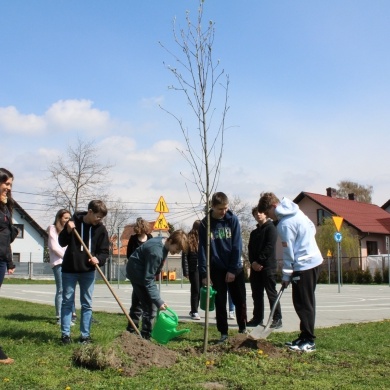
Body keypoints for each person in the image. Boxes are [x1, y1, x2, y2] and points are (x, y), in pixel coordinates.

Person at [258, 192, 323, 353]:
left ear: (273, 206)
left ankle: (309, 341)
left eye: (267, 213)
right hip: (314, 261)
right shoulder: (297, 211)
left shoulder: (284, 224)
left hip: (304, 265)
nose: (268, 217)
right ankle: (304, 336)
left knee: (303, 304)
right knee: (303, 301)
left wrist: (286, 275)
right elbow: (312, 229)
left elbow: (288, 253)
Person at [198, 192, 247, 344]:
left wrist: (232, 270)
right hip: (216, 268)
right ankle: (223, 333)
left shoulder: (232, 220)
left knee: (240, 300)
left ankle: (242, 329)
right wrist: (205, 273)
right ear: (212, 207)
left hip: (235, 267)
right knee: (220, 302)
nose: (224, 211)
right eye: (220, 209)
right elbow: (202, 249)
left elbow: (237, 245)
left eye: (226, 208)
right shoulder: (205, 224)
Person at [59, 200, 109, 345]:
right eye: (98, 216)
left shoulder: (101, 229)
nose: (99, 220)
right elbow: (62, 242)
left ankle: (85, 336)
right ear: (90, 212)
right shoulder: (73, 223)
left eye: (101, 218)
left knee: (87, 303)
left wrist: (98, 259)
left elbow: (104, 251)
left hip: (88, 271)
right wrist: (68, 230)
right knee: (67, 302)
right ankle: (65, 335)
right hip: (70, 269)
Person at [126, 230, 188, 339]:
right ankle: (145, 336)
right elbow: (148, 279)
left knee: (138, 302)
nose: (177, 252)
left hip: (135, 268)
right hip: (137, 273)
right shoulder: (156, 252)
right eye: (177, 249)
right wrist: (158, 301)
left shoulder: (162, 241)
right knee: (150, 306)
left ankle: (130, 332)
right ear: (170, 240)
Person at [247, 206, 282, 328]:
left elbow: (269, 247)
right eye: (255, 213)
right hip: (255, 268)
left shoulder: (271, 228)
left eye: (260, 212)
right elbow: (250, 250)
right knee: (256, 294)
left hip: (268, 267)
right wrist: (253, 263)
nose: (258, 215)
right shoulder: (254, 233)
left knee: (271, 293)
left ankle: (277, 319)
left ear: (266, 214)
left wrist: (260, 262)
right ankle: (257, 318)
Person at [0, 168, 18, 364]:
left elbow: (7, 237)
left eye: (10, 184)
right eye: (6, 183)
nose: (8, 188)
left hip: (1, 260)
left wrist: (10, 261)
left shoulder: (5, 207)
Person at [47, 209, 77, 325]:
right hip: (59, 262)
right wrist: (67, 257)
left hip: (69, 262)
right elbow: (54, 246)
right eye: (65, 218)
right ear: (59, 218)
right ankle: (60, 316)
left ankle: (71, 315)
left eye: (69, 218)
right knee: (61, 289)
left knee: (70, 289)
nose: (67, 220)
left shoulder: (69, 230)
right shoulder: (52, 228)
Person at [125, 217, 153, 332]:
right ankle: (132, 327)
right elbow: (129, 255)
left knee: (146, 302)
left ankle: (144, 329)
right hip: (136, 273)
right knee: (137, 301)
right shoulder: (133, 239)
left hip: (147, 273)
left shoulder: (150, 238)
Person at [181, 220, 201, 320]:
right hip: (193, 268)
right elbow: (184, 256)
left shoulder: (203, 239)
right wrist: (186, 271)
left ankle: (194, 309)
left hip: (202, 268)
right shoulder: (189, 239)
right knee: (195, 289)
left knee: (200, 290)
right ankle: (194, 311)